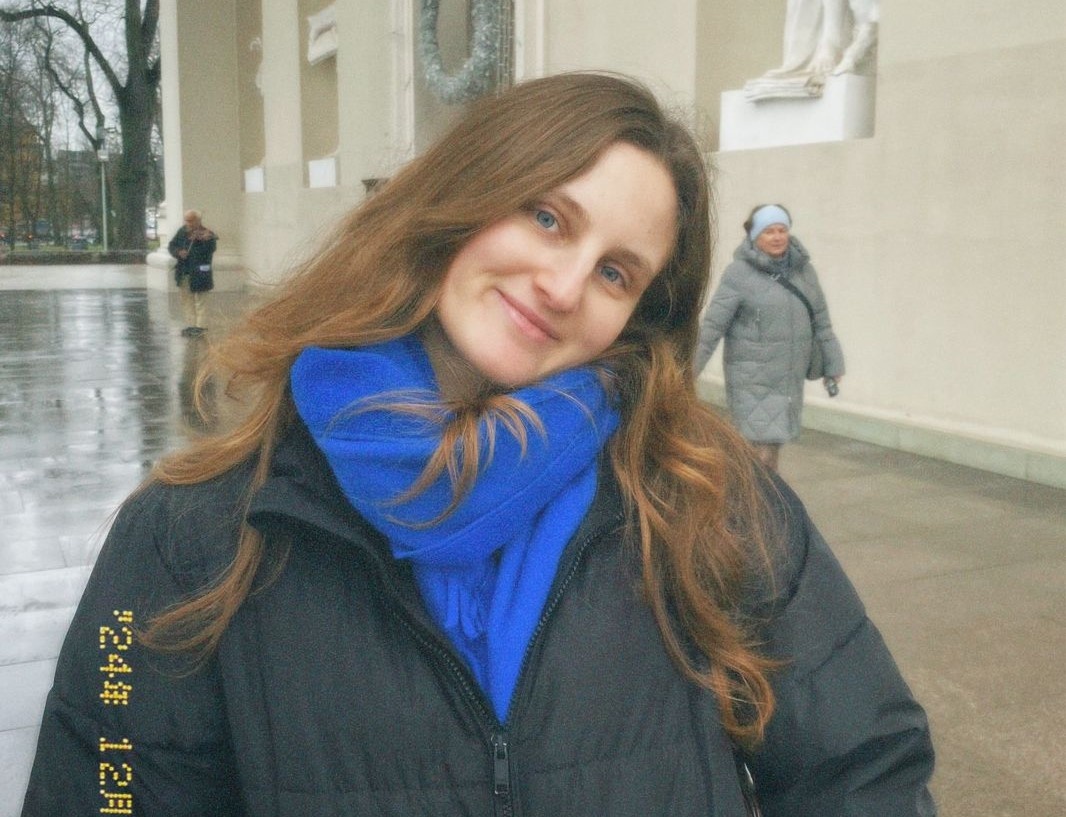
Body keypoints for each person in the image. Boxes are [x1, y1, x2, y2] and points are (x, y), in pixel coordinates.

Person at [21, 73, 932, 816]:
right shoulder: (186, 535)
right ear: (461, 200)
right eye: (548, 217)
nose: (564, 285)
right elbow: (109, 782)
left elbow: (865, 766)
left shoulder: (712, 502)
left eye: (616, 272)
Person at [695, 204, 845, 472]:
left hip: (788, 380)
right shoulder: (738, 274)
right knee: (760, 451)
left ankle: (749, 494)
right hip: (752, 380)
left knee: (768, 449)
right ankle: (754, 496)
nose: (777, 237)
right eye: (769, 231)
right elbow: (712, 328)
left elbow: (821, 322)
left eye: (782, 230)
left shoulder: (804, 273)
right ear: (755, 236)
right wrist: (686, 372)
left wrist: (833, 365)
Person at [168, 209, 218, 336]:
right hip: (184, 271)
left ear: (198, 220)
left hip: (200, 273)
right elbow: (172, 245)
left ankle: (201, 326)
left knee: (201, 300)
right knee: (186, 300)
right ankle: (191, 325)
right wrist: (179, 252)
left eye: (191, 221)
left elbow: (210, 249)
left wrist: (203, 240)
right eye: (186, 220)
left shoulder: (208, 234)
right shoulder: (182, 231)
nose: (188, 223)